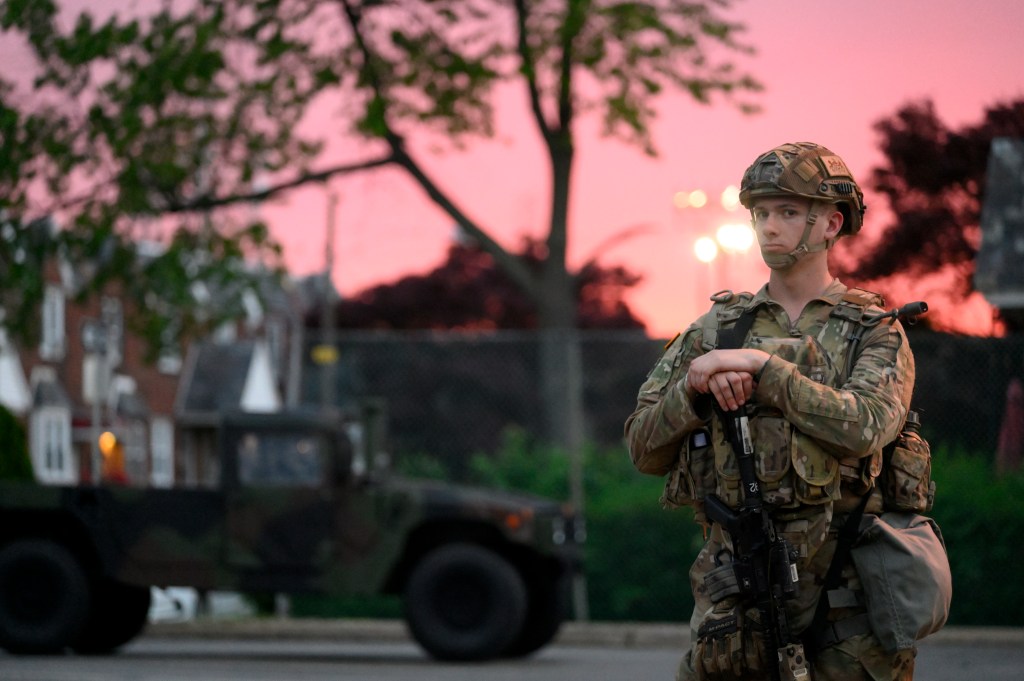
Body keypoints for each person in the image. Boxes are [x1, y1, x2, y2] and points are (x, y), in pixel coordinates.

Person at [625, 142, 919, 680]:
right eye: (761, 213)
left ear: (832, 223)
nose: (769, 226)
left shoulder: (873, 330)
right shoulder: (714, 331)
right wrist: (692, 388)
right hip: (736, 599)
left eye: (787, 211)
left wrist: (766, 372)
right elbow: (642, 447)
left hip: (848, 602)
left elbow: (867, 426)